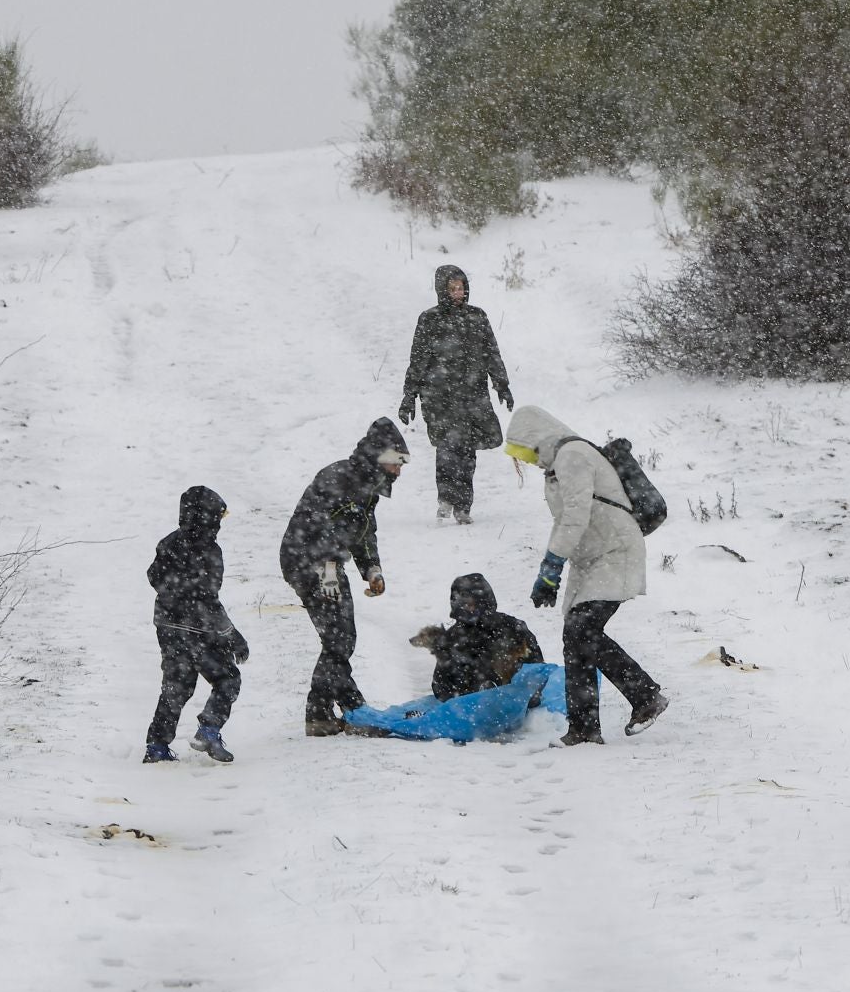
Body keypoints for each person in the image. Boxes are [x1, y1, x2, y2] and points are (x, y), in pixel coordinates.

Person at [504, 406, 668, 746]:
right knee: (574, 636)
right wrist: (548, 572)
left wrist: (552, 565)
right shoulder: (557, 467)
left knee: (583, 629)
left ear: (538, 439)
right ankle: (583, 729)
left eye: (528, 453)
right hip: (591, 559)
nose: (531, 461)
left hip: (615, 551)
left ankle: (645, 696)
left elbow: (576, 516)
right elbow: (564, 521)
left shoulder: (572, 455)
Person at [279, 417, 409, 736]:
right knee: (339, 637)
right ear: (379, 457)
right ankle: (322, 712)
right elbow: (317, 531)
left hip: (328, 565)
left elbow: (364, 532)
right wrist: (328, 576)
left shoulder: (367, 487)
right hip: (309, 563)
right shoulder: (338, 479)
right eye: (396, 462)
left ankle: (346, 706)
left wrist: (371, 569)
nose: (399, 471)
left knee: (339, 637)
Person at [399, 265, 513, 525]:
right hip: (439, 396)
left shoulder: (477, 317)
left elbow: (491, 353)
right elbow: (417, 359)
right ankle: (446, 498)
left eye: (461, 287)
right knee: (448, 448)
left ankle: (463, 506)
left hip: (473, 395)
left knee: (468, 451)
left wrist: (502, 385)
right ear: (442, 290)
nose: (458, 292)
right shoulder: (430, 319)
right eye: (452, 288)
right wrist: (409, 395)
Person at [144, 485, 248, 764]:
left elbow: (153, 576)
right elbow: (208, 599)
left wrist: (174, 595)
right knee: (228, 678)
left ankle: (156, 746)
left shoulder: (168, 542)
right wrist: (231, 634)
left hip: (167, 625)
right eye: (218, 518)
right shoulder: (210, 551)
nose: (219, 524)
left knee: (176, 686)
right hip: (199, 628)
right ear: (208, 518)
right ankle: (209, 730)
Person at [410, 572, 545, 701]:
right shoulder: (454, 636)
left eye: (470, 604)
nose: (467, 609)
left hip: (513, 697)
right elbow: (441, 684)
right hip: (471, 705)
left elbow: (536, 666)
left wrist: (526, 693)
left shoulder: (511, 627)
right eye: (462, 604)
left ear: (482, 601)